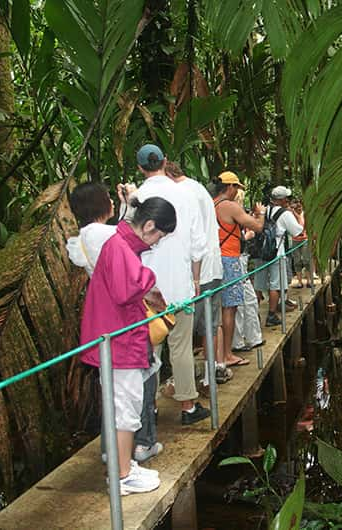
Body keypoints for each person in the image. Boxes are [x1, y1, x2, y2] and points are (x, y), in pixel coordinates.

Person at [80, 196, 176, 495]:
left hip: (119, 336)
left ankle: (123, 466)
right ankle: (121, 476)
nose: (157, 242)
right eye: (159, 235)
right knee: (126, 406)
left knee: (126, 404)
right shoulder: (120, 247)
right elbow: (126, 290)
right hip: (118, 340)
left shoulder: (119, 244)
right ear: (148, 226)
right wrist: (151, 279)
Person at [67, 182, 164, 463]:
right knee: (134, 390)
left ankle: (115, 452)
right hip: (123, 320)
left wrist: (127, 205)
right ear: (99, 203)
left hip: (109, 317)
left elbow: (123, 232)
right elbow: (129, 240)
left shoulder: (89, 234)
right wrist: (134, 201)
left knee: (115, 392)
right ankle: (139, 447)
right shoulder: (101, 234)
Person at [119, 144, 210, 425]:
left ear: (140, 168)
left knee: (150, 346)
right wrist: (196, 280)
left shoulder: (136, 197)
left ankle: (150, 406)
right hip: (180, 284)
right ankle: (188, 406)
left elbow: (122, 240)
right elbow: (198, 244)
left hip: (145, 288)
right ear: (165, 161)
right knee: (180, 345)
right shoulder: (185, 193)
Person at [164, 161, 232, 384]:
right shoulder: (198, 188)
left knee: (188, 325)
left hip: (199, 269)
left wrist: (191, 274)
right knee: (210, 322)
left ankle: (189, 378)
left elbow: (190, 235)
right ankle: (212, 370)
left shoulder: (181, 192)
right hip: (211, 266)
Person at [213, 171, 265, 366]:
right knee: (230, 307)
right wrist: (260, 214)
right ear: (230, 187)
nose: (238, 192)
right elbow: (257, 227)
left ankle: (220, 356)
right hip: (229, 259)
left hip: (214, 260)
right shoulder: (230, 206)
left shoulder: (211, 203)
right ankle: (227, 354)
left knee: (219, 309)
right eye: (237, 188)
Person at [253, 186, 304, 326]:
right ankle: (271, 315)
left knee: (258, 283)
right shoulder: (284, 213)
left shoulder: (263, 210)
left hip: (261, 251)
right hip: (276, 252)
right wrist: (299, 217)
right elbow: (297, 231)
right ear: (281, 200)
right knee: (276, 285)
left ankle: (253, 315)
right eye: (286, 198)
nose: (287, 200)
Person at [230, 188, 265, 353]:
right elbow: (257, 227)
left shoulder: (231, 211)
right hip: (235, 259)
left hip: (239, 258)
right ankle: (241, 341)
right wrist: (261, 215)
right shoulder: (230, 211)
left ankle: (250, 338)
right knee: (241, 302)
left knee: (246, 301)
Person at [66, 182, 117, 276]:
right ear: (99, 204)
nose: (112, 201)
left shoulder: (84, 236)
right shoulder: (99, 232)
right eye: (108, 198)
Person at [289, 198, 312, 288]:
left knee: (306, 260)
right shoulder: (291, 215)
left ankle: (309, 281)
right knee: (297, 261)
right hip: (295, 240)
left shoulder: (305, 214)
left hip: (305, 240)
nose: (299, 208)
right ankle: (299, 282)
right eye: (297, 207)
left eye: (300, 206)